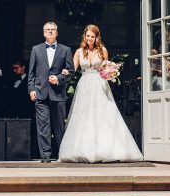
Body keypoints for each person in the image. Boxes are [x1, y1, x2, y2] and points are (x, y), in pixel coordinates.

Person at [58, 24, 143, 163]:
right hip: (85, 85)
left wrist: (111, 71)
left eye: (92, 36)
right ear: (84, 36)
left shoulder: (102, 50)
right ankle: (82, 150)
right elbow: (73, 69)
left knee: (104, 114)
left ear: (97, 37)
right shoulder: (79, 52)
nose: (90, 39)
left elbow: (106, 67)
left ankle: (107, 150)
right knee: (84, 116)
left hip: (99, 84)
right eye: (88, 36)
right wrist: (66, 72)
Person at [28, 22, 74, 163]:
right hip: (41, 93)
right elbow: (31, 73)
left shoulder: (65, 50)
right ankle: (46, 156)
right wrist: (31, 89)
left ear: (57, 33)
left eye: (53, 30)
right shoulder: (36, 49)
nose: (50, 32)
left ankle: (62, 154)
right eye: (47, 30)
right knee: (43, 127)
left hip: (58, 94)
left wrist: (59, 78)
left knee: (59, 127)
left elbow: (71, 71)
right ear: (43, 33)